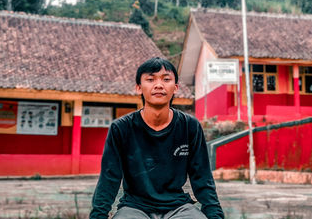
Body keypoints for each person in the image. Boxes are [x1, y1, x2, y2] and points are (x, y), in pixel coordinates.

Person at [90, 57, 224, 219]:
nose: (159, 85)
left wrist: (215, 215)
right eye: (150, 79)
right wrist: (98, 215)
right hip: (134, 207)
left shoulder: (190, 126)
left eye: (166, 79)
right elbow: (109, 178)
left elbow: (202, 177)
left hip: (179, 207)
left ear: (175, 88)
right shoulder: (121, 128)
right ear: (139, 87)